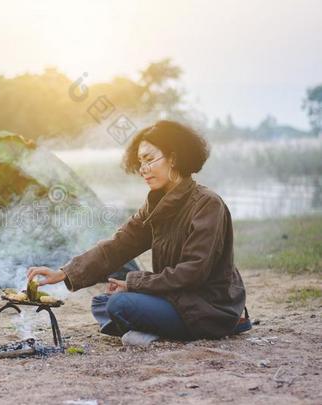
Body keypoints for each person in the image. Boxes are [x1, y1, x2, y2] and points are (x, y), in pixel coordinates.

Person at [27, 120, 247, 344]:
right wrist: (64, 273)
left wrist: (134, 283)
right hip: (175, 298)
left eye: (150, 159)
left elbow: (192, 272)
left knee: (119, 304)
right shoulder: (156, 204)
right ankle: (151, 327)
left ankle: (157, 328)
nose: (143, 169)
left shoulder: (207, 204)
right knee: (101, 302)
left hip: (207, 306)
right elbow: (119, 245)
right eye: (140, 161)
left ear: (174, 158)